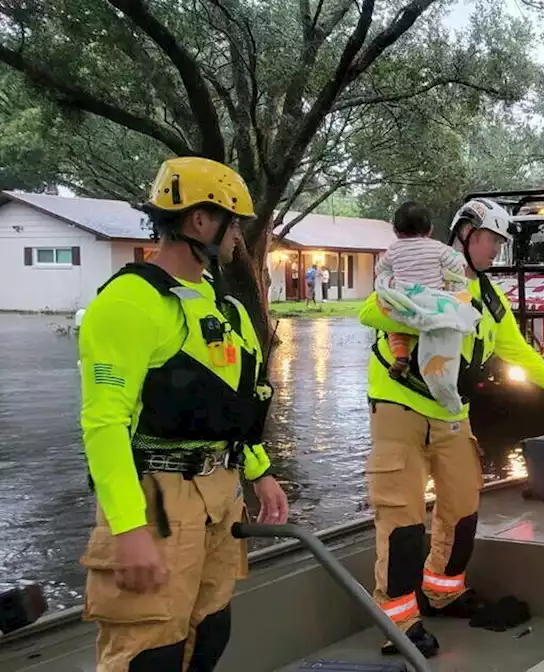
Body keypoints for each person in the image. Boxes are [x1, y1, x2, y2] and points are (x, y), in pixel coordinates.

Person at [357, 197, 544, 658]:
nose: (496, 250)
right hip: (400, 409)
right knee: (402, 521)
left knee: (463, 507)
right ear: (466, 233)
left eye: (498, 242)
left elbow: (522, 354)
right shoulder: (420, 278)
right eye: (492, 239)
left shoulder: (490, 301)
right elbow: (370, 312)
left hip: (453, 416)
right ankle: (399, 623)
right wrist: (423, 310)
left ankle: (442, 592)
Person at [77, 156, 289, 670]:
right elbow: (103, 423)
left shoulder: (225, 308)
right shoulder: (128, 304)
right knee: (149, 652)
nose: (238, 235)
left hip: (221, 493)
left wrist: (260, 472)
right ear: (200, 221)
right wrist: (128, 529)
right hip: (155, 500)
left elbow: (231, 405)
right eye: (233, 222)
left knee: (210, 633)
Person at [374, 203, 471, 404]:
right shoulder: (438, 248)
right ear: (430, 229)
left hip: (405, 303)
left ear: (396, 231)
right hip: (432, 302)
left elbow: (379, 270)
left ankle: (401, 355)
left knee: (395, 331)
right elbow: (458, 268)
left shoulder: (393, 250)